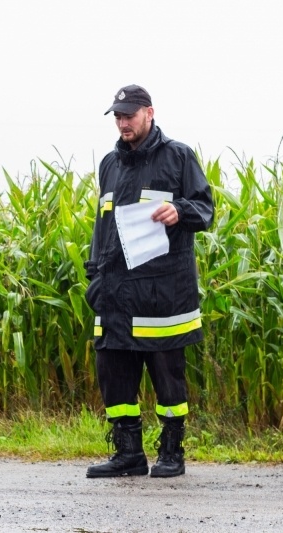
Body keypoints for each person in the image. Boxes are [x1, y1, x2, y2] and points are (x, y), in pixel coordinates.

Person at [84, 85, 214, 478]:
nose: (123, 122)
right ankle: (129, 454)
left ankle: (172, 452)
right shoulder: (109, 164)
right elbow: (102, 225)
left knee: (167, 378)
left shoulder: (178, 156)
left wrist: (179, 210)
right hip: (114, 295)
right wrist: (94, 275)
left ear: (149, 113)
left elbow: (205, 209)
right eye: (118, 116)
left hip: (162, 295)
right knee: (114, 374)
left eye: (129, 115)